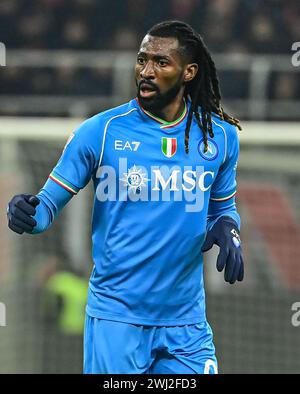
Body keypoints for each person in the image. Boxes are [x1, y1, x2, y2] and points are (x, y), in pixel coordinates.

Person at [7, 20, 244, 374]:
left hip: (185, 322)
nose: (146, 71)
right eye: (141, 60)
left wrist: (228, 227)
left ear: (189, 72)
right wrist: (26, 212)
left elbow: (223, 209)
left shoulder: (220, 137)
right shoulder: (100, 133)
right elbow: (46, 207)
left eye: (161, 63)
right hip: (117, 320)